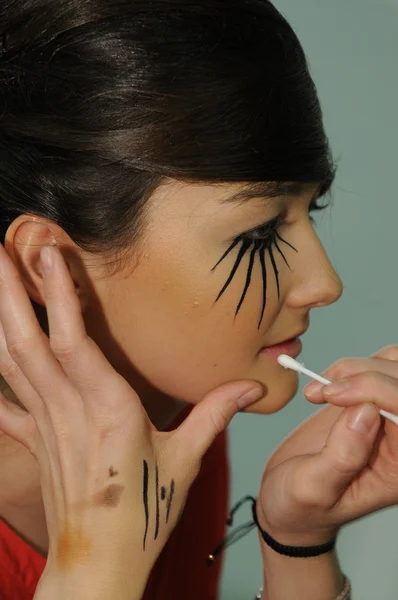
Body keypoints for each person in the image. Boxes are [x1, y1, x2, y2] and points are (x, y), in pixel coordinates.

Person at [0, 1, 398, 598]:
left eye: (310, 210)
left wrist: (296, 540)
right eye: (258, 234)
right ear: (50, 265)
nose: (325, 283)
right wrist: (96, 569)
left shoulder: (178, 419)